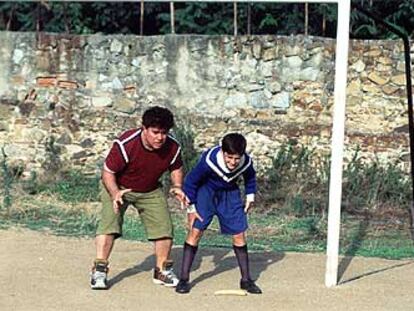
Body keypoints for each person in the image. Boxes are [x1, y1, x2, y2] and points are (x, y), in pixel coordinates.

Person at [90, 106, 186, 290]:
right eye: (155, 132)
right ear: (144, 128)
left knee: (164, 227)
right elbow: (108, 171)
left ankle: (162, 271)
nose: (160, 138)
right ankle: (99, 271)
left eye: (164, 133)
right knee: (110, 224)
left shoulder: (173, 147)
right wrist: (115, 193)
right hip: (118, 186)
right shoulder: (126, 144)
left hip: (149, 189)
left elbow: (176, 167)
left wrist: (177, 186)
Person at [175, 133, 262, 294]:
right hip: (206, 192)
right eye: (229, 157)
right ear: (222, 152)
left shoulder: (245, 161)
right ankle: (184, 279)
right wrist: (191, 208)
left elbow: (250, 177)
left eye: (237, 158)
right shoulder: (209, 161)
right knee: (196, 231)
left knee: (239, 233)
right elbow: (191, 182)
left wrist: (250, 196)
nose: (233, 162)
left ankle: (246, 280)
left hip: (229, 194)